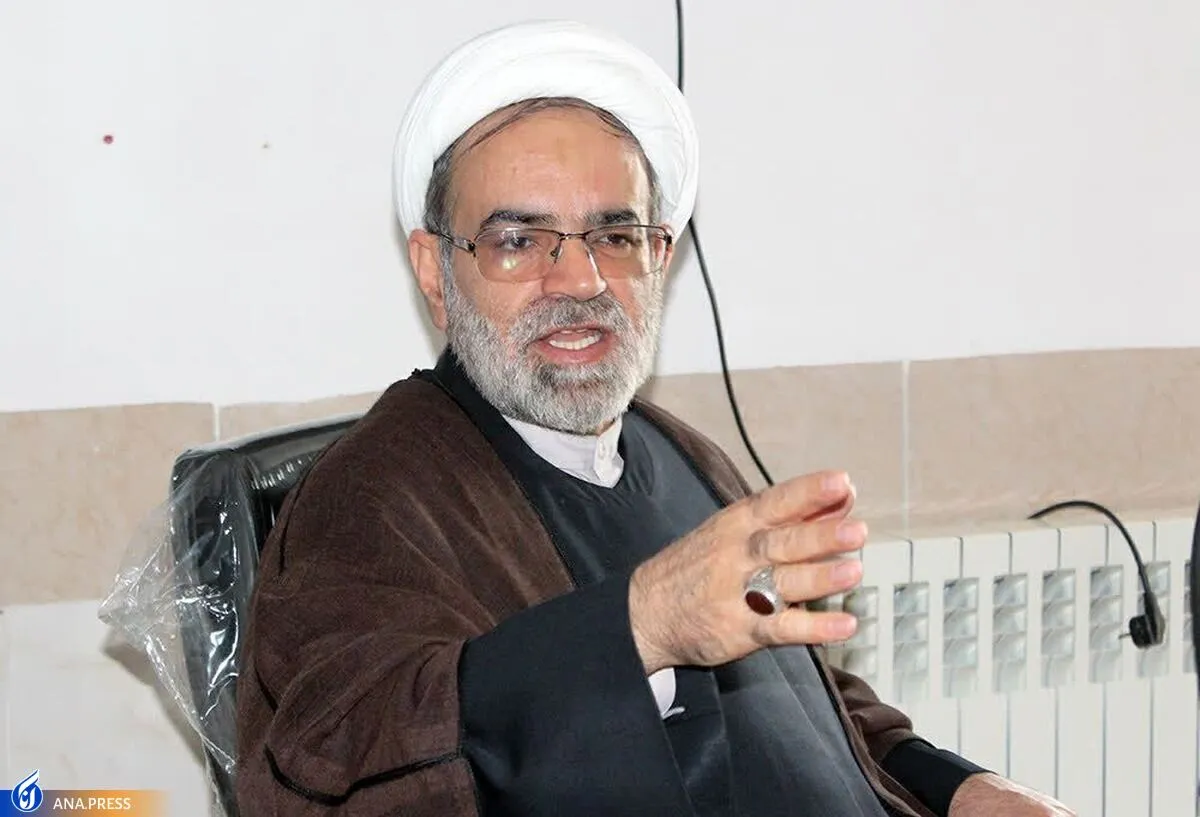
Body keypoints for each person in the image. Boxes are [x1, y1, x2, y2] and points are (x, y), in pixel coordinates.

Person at [236, 20, 1074, 817]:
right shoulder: (367, 499)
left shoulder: (680, 453)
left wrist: (959, 787)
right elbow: (339, 755)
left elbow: (803, 703)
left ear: (661, 257)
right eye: (519, 240)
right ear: (434, 271)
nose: (580, 281)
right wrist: (639, 625)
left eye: (615, 235)